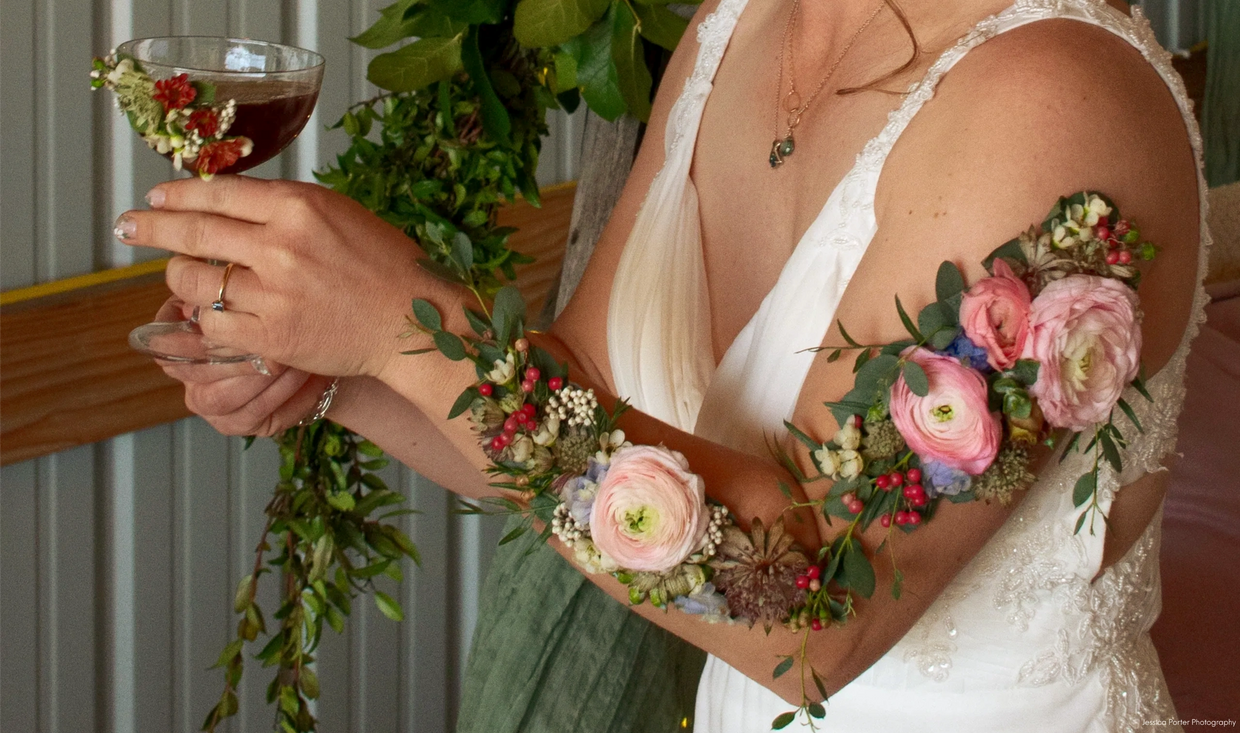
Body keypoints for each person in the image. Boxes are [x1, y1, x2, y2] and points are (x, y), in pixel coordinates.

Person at [115, 0, 1208, 729]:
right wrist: (343, 375)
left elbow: (822, 610)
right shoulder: (738, 25)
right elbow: (587, 414)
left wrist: (408, 328)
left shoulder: (1054, 95)